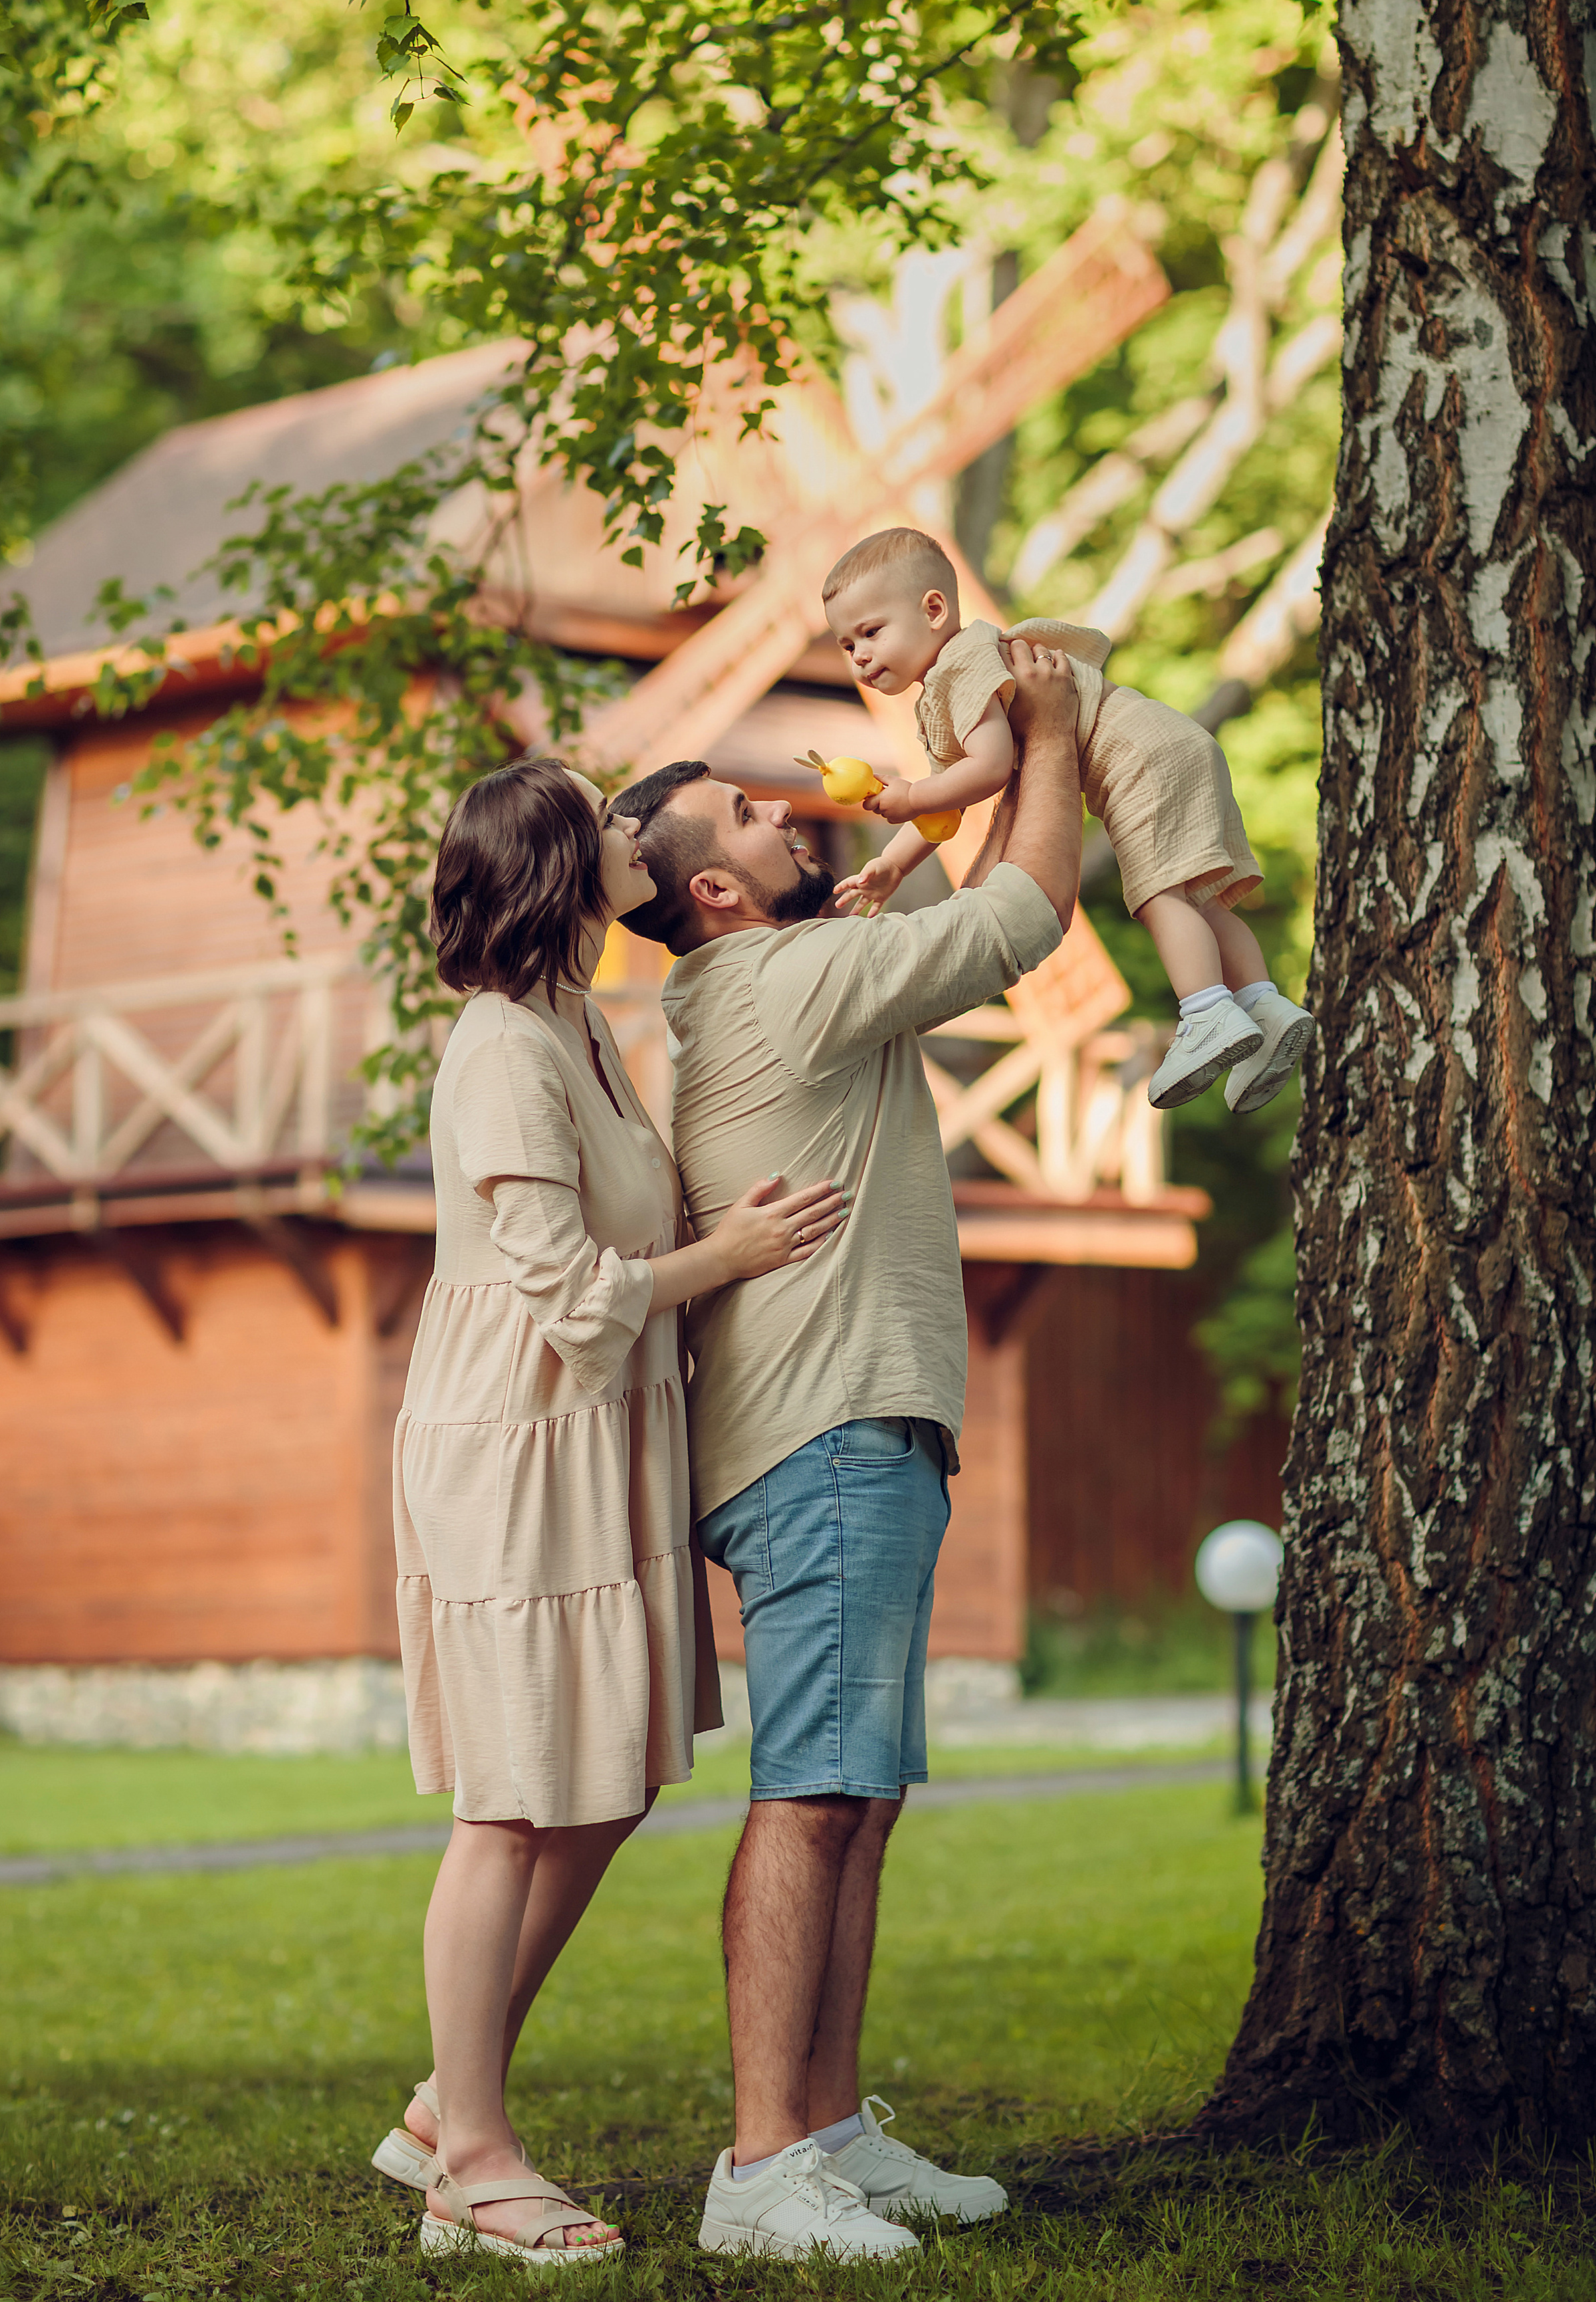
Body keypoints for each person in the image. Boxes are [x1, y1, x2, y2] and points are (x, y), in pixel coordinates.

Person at [608, 641, 1083, 2261]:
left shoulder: (782, 967)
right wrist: (1064, 730)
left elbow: (947, 860)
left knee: (856, 1795)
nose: (781, 809)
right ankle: (758, 2171)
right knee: (810, 1794)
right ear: (717, 895)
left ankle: (821, 2130)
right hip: (820, 1443)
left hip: (846, 1434)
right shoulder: (780, 985)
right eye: (743, 814)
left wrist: (972, 762)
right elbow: (1026, 913)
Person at [376, 758, 849, 2268]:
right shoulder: (503, 1050)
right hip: (520, 1440)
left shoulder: (580, 1020)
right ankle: (474, 2155)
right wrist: (739, 1252)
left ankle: (442, 2105)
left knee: (604, 1777)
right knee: (512, 1801)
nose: (636, 835)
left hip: (591, 1435)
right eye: (609, 821)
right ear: (563, 869)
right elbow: (574, 1298)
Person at [822, 523, 1313, 1115]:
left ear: (933, 609)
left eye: (872, 632)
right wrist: (893, 866)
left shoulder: (961, 664)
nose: (862, 656)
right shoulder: (955, 676)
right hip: (1169, 741)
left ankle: (1206, 1012)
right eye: (848, 645)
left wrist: (911, 796)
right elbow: (951, 800)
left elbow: (990, 768)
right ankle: (1262, 1005)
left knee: (1158, 896)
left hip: (1136, 758)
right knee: (1199, 897)